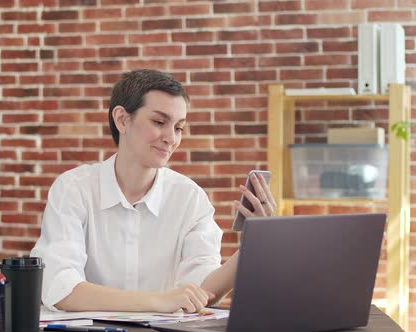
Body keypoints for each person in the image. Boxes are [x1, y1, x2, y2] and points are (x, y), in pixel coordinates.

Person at [31, 69, 276, 313]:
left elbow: (200, 290)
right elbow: (60, 288)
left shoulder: (190, 198)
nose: (171, 138)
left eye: (179, 128)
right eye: (159, 122)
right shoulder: (73, 189)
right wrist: (158, 301)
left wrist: (252, 247)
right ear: (122, 120)